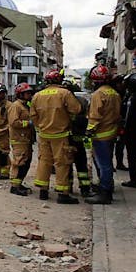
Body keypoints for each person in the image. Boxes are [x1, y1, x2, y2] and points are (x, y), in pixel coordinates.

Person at [30, 69, 82, 204]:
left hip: (43, 134)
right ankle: (62, 193)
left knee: (44, 161)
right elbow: (76, 109)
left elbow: (33, 115)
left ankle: (43, 190)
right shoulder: (65, 93)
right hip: (61, 134)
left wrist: (40, 126)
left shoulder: (37, 95)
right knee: (62, 163)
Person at [85, 65, 122, 205]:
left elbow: (95, 116)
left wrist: (89, 131)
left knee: (103, 165)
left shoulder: (98, 94)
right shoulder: (114, 93)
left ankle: (105, 193)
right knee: (107, 163)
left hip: (101, 135)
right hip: (111, 132)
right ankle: (106, 188)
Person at [7, 82, 35, 196]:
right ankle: (14, 187)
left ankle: (19, 183)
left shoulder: (25, 106)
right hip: (19, 139)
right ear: (20, 94)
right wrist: (27, 123)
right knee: (19, 162)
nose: (30, 95)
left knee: (26, 163)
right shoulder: (16, 106)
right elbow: (13, 122)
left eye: (30, 93)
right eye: (27, 93)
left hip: (26, 139)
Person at [67, 82, 93, 197]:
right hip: (79, 139)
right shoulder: (82, 101)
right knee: (81, 165)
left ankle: (67, 188)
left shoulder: (63, 102)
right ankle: (85, 189)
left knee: (67, 165)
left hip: (67, 139)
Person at [111, 75, 129, 170]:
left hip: (121, 121)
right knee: (113, 144)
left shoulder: (124, 93)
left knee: (120, 144)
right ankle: (113, 164)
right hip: (114, 122)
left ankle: (119, 163)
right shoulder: (115, 94)